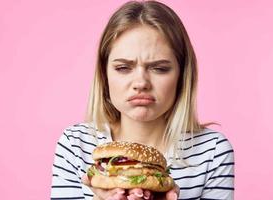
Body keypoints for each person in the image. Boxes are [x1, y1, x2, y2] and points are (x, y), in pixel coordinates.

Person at [51, 1, 234, 200]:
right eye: (123, 68)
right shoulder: (76, 144)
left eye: (159, 68)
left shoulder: (213, 151)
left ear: (182, 76)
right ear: (104, 75)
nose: (141, 83)